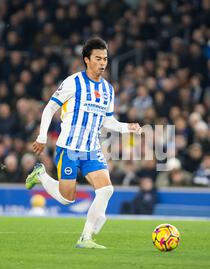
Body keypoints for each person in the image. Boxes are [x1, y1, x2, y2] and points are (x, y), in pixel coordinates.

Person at [25, 37, 142, 249]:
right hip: (69, 148)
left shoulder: (108, 89)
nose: (103, 63)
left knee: (106, 190)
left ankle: (86, 237)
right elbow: (50, 108)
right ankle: (41, 174)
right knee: (67, 198)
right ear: (87, 60)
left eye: (105, 59)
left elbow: (107, 120)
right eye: (98, 58)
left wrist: (127, 127)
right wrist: (42, 137)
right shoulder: (72, 82)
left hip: (91, 149)